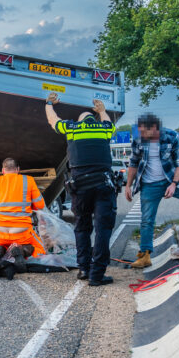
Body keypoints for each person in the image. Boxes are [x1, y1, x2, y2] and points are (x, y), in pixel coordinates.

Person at [45, 92, 116, 286]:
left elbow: (53, 121)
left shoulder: (73, 128)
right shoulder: (104, 129)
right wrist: (102, 110)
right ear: (94, 119)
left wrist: (49, 103)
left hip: (80, 186)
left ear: (79, 120)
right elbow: (108, 121)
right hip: (103, 184)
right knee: (103, 229)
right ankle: (97, 274)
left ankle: (84, 268)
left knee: (82, 227)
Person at [125, 113, 179, 268]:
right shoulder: (138, 140)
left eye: (144, 132)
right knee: (147, 220)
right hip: (149, 184)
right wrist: (128, 185)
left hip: (172, 180)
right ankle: (145, 256)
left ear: (155, 128)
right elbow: (134, 162)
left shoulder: (174, 137)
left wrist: (174, 184)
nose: (141, 135)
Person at [0, 157, 46, 274]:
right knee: (40, 248)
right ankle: (21, 251)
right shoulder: (28, 180)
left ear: (3, 170)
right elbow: (40, 205)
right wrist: (30, 207)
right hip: (21, 232)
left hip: (1, 231)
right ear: (17, 169)